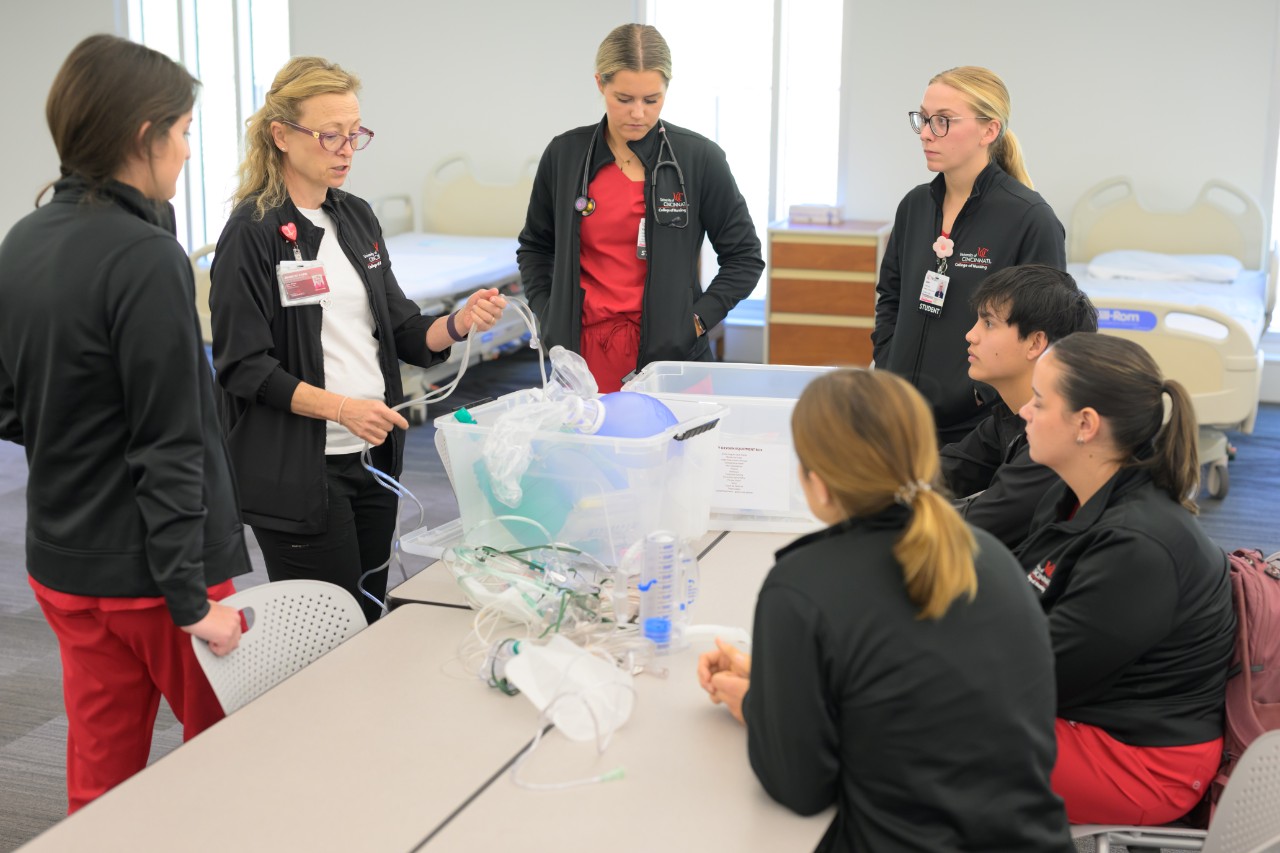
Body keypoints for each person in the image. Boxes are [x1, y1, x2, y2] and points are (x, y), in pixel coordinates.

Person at [0, 35, 248, 813]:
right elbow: (170, 440)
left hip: (65, 565)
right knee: (240, 758)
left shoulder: (24, 239)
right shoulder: (146, 257)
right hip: (156, 575)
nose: (184, 149)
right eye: (181, 131)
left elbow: (13, 402)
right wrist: (190, 601)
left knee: (101, 779)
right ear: (144, 134)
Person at [697, 369, 1072, 852]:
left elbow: (802, 788)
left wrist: (760, 706)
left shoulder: (801, 588)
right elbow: (913, 699)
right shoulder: (991, 557)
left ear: (819, 484)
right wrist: (780, 687)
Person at [211, 57, 506, 624]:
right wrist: (343, 409)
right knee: (327, 633)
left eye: (355, 135)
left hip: (370, 459)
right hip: (299, 471)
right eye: (329, 135)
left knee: (369, 615)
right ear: (282, 136)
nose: (345, 149)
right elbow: (243, 367)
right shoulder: (253, 233)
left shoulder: (355, 217)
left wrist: (461, 323)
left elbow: (404, 330)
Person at [1014, 333, 1236, 825]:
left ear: (1085, 425)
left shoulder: (1140, 548)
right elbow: (1013, 605)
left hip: (1147, 761)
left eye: (1038, 401)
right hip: (1088, 714)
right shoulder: (1073, 499)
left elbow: (1034, 676)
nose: (1024, 412)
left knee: (910, 733)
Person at [518, 23, 764, 393]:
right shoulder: (565, 155)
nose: (637, 113)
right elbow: (536, 247)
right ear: (600, 84)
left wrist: (696, 321)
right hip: (582, 359)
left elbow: (745, 257)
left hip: (673, 356)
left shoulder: (698, 158)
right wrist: (549, 312)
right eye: (623, 98)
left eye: (652, 100)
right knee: (589, 451)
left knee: (678, 451)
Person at [872, 66, 1066, 445]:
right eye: (924, 119)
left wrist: (983, 395)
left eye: (943, 121)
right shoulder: (915, 207)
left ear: (989, 131)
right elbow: (891, 297)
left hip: (976, 431)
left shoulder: (1029, 219)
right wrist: (888, 363)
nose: (926, 133)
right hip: (902, 418)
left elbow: (1047, 333)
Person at [940, 264, 1098, 549]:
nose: (970, 335)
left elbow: (973, 527)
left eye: (988, 324)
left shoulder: (1059, 437)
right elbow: (946, 471)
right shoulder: (1012, 414)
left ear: (1035, 342)